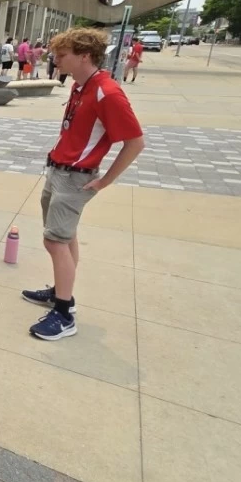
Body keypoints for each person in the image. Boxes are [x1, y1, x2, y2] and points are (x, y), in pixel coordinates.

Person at [22, 28, 145, 340]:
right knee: (64, 236)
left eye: (62, 56)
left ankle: (64, 314)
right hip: (59, 171)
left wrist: (105, 180)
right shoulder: (81, 87)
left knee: (55, 241)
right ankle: (62, 293)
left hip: (75, 177)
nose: (55, 60)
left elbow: (135, 142)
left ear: (85, 56)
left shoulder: (107, 91)